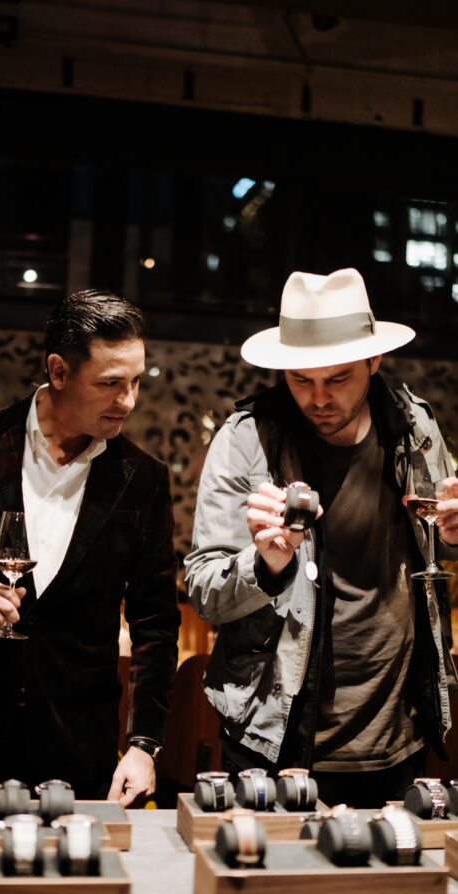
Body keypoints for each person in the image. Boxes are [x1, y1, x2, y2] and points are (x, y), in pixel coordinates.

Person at [0, 290, 179, 806]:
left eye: (136, 382)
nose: (129, 401)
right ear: (59, 371)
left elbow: (155, 621)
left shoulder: (144, 479)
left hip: (78, 745)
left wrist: (143, 745)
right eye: (111, 384)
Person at [185, 268, 458, 807]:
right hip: (273, 734)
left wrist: (453, 535)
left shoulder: (415, 430)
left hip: (395, 734)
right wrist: (264, 566)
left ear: (373, 362)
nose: (318, 399)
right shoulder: (247, 439)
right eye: (300, 380)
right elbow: (204, 592)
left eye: (338, 379)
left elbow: (436, 549)